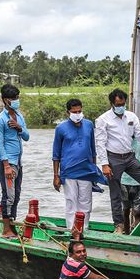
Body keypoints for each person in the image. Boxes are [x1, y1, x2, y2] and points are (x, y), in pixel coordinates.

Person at [95, 89, 140, 234]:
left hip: (129, 157)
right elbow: (100, 143)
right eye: (118, 104)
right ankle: (119, 224)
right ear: (112, 104)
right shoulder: (103, 119)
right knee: (116, 193)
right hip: (113, 158)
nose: (121, 106)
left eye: (123, 103)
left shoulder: (131, 116)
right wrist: (104, 164)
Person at [52, 98, 106, 233]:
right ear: (68, 112)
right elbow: (56, 154)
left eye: (79, 111)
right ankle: (72, 229)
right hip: (68, 171)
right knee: (71, 201)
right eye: (74, 112)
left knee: (86, 202)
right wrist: (56, 175)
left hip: (86, 170)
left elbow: (93, 149)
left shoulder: (88, 125)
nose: (77, 114)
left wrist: (94, 170)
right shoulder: (60, 128)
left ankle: (84, 228)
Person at [0, 83, 30, 239]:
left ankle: (12, 227)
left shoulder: (19, 116)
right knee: (8, 196)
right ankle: (6, 229)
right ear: (5, 100)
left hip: (18, 162)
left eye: (17, 97)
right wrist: (6, 165)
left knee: (17, 195)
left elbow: (27, 137)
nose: (16, 100)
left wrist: (18, 127)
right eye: (13, 98)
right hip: (6, 163)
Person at [120, 138, 140, 233]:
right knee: (125, 210)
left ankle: (134, 233)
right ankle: (127, 231)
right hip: (123, 180)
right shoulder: (120, 141)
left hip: (138, 181)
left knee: (137, 212)